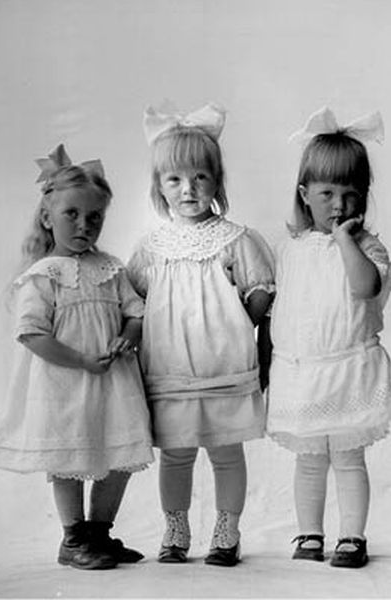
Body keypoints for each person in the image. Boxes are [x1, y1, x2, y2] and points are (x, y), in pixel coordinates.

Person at [0, 145, 154, 570]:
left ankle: (99, 533)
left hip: (113, 382)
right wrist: (81, 360)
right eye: (72, 215)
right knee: (67, 460)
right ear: (48, 217)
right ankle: (73, 538)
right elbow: (31, 335)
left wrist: (127, 338)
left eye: (95, 217)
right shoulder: (43, 276)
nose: (85, 225)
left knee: (117, 459)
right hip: (65, 385)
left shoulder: (112, 268)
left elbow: (136, 314)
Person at [127, 102, 274, 567]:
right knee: (176, 455)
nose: (188, 189)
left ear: (216, 181)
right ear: (159, 187)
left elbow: (259, 293)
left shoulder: (234, 239)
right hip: (170, 367)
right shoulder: (151, 246)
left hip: (223, 365)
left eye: (199, 178)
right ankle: (176, 530)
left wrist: (231, 323)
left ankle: (227, 531)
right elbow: (134, 300)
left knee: (226, 453)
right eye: (174, 180)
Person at [263, 107, 391, 568]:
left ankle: (352, 536)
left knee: (346, 457)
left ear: (365, 197)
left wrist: (346, 241)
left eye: (351, 193)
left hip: (348, 369)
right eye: (327, 193)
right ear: (305, 195)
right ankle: (308, 535)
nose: (339, 204)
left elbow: (364, 288)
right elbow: (282, 312)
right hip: (301, 371)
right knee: (308, 459)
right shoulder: (291, 249)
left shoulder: (368, 248)